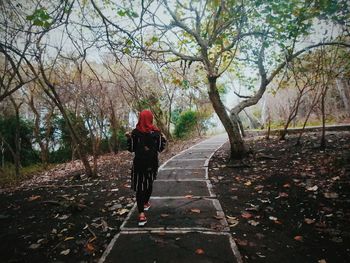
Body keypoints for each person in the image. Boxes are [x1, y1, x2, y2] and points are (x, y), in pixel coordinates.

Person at [126, 110, 166, 226]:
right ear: (150, 119)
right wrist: (163, 139)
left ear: (140, 118)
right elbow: (160, 148)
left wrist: (129, 138)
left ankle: (141, 214)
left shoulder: (135, 133)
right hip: (152, 164)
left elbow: (131, 148)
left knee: (139, 188)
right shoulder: (156, 133)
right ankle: (146, 202)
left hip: (139, 164)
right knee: (149, 183)